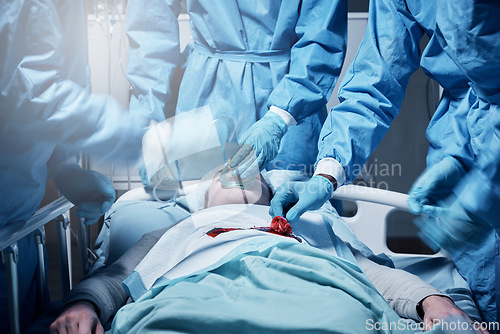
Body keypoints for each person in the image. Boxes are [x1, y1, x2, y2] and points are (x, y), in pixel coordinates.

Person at [268, 0, 497, 323]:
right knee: (484, 287)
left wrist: (491, 173)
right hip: (462, 130)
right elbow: (374, 81)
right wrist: (327, 172)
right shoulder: (192, 241)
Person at [50, 170, 485, 334]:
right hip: (192, 299)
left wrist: (436, 301)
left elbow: (371, 274)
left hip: (314, 296)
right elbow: (114, 277)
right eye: (225, 173)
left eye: (250, 171)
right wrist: (84, 304)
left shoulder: (302, 230)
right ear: (204, 200)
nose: (238, 169)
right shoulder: (182, 230)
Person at [95, 0, 348, 266]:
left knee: (298, 212)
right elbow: (151, 22)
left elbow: (322, 34)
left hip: (294, 98)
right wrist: (146, 121)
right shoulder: (162, 246)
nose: (239, 172)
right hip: (209, 90)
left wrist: (282, 116)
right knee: (203, 214)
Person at [0, 1, 148, 331]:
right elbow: (28, 92)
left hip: (16, 227)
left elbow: (58, 73)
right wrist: (144, 140)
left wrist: (64, 166)